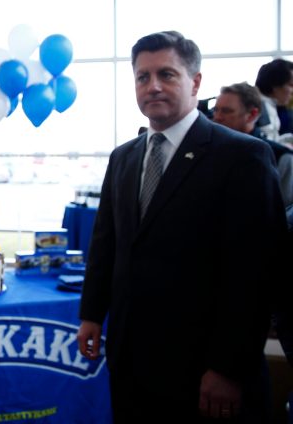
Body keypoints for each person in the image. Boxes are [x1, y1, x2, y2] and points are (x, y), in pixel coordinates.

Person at [76, 31, 287, 423]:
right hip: (131, 359)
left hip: (203, 370)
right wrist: (91, 314)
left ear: (195, 82)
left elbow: (256, 273)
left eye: (167, 74)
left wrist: (228, 368)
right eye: (143, 77)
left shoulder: (243, 157)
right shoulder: (123, 158)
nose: (153, 86)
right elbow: (106, 244)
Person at [212, 82, 293, 209]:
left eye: (226, 111)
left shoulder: (281, 157)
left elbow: (282, 211)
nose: (217, 117)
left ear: (252, 114)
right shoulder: (207, 149)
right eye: (216, 110)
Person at [255, 58, 293, 144]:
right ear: (275, 84)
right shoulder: (260, 107)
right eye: (291, 85)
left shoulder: (270, 105)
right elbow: (265, 144)